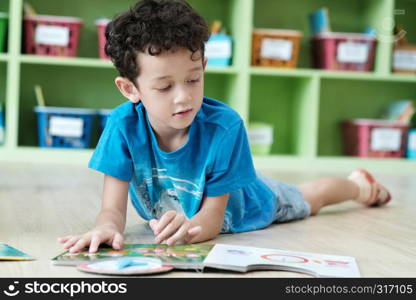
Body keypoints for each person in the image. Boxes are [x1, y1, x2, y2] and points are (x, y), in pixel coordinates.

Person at [58, 0, 391, 253]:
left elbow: (212, 221)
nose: (183, 98)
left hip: (251, 203)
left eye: (193, 79)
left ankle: (360, 187)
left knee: (309, 198)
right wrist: (105, 228)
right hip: (205, 195)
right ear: (130, 89)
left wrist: (188, 228)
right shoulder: (122, 126)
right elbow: (112, 209)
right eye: (164, 87)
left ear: (204, 65)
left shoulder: (225, 127)